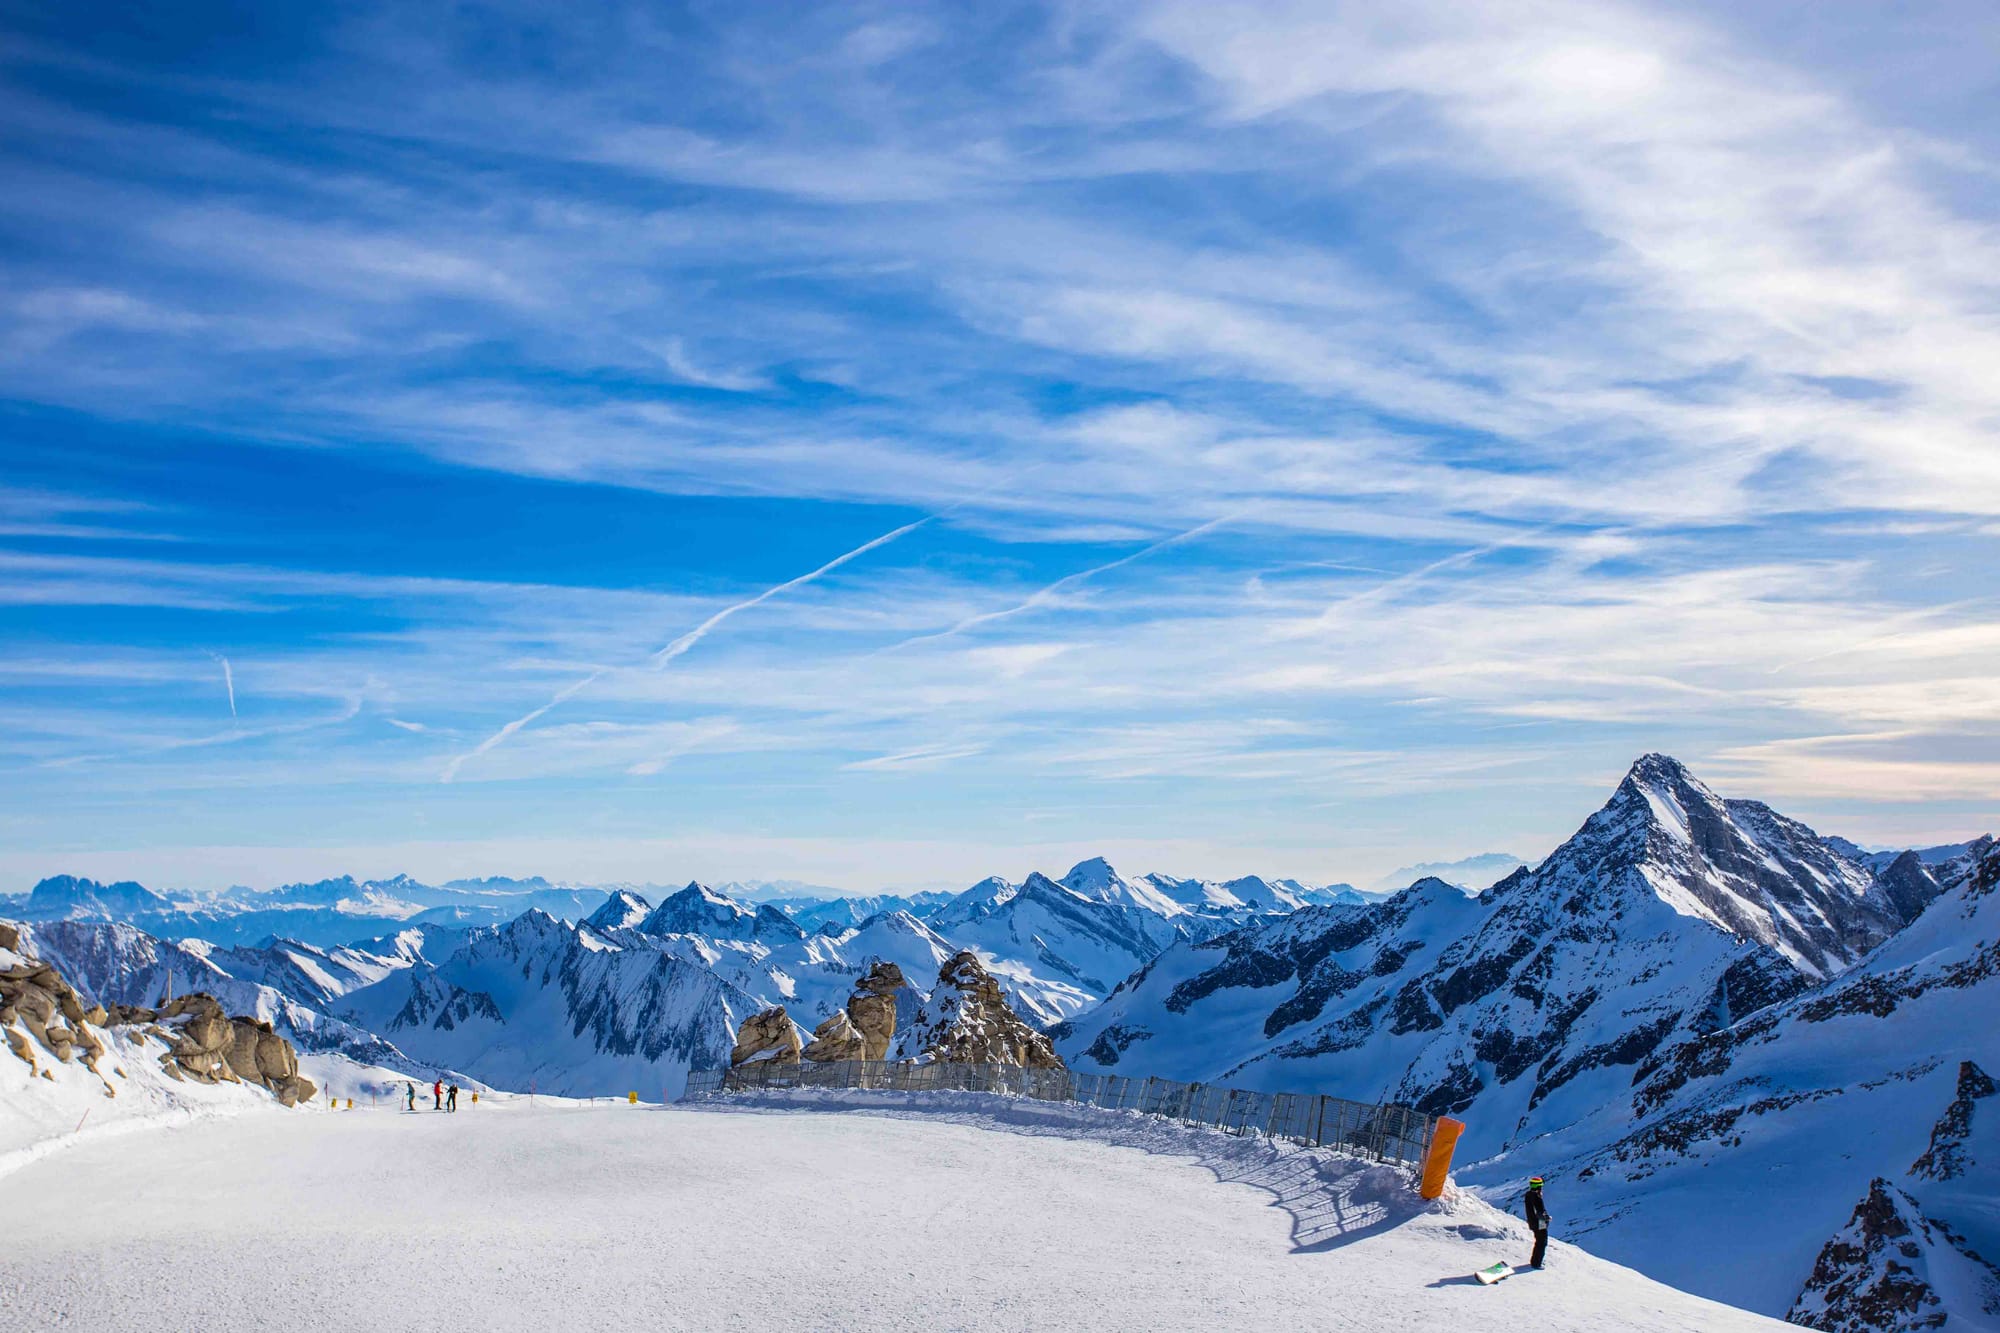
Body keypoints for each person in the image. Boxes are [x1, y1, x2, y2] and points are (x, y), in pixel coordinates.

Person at [1524, 1176, 1550, 1269]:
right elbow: (1539, 1211)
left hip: (1533, 1222)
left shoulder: (1528, 1195)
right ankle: (1536, 1263)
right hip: (1540, 1223)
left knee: (1539, 1241)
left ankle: (1535, 1261)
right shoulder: (1536, 1197)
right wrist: (1546, 1218)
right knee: (1542, 1242)